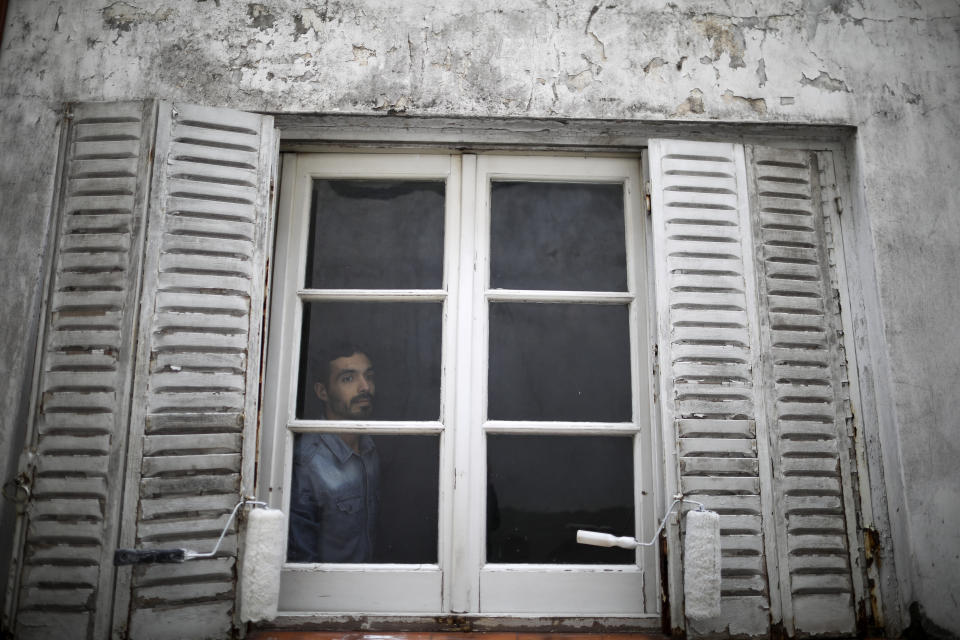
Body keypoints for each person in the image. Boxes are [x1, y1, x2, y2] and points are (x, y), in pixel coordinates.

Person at [287, 342, 380, 563]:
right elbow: (300, 560)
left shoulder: (370, 446)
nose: (365, 387)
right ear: (322, 392)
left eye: (369, 376)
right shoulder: (307, 462)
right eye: (348, 378)